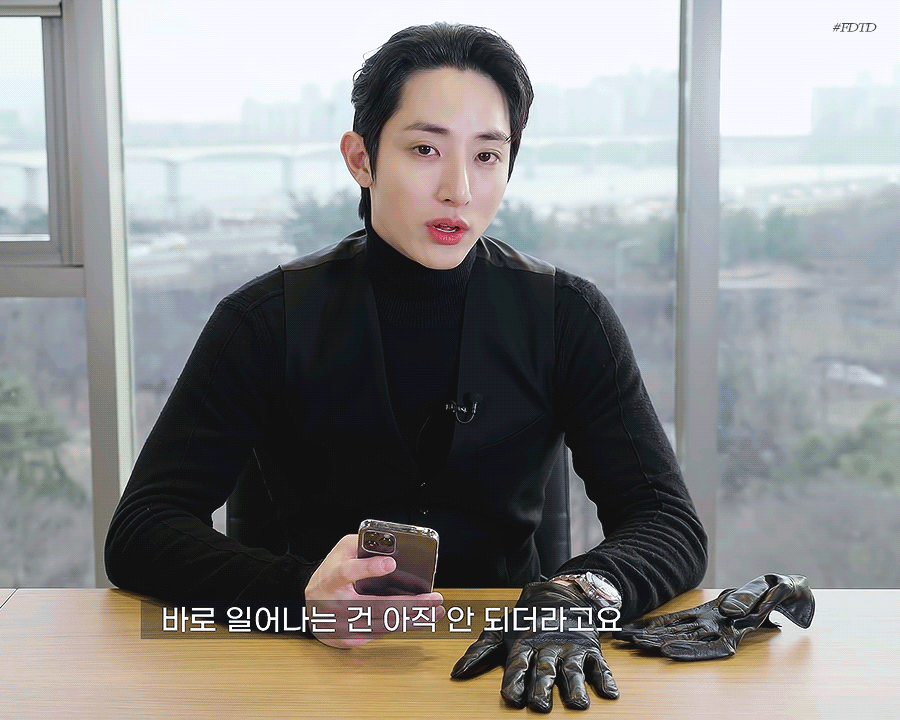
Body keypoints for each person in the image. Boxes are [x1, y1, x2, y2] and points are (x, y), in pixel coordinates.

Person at [106, 22, 707, 711]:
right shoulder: (265, 319)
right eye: (425, 149)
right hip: (307, 674)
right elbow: (143, 529)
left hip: (511, 678)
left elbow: (668, 521)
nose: (459, 189)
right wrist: (298, 595)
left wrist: (576, 595)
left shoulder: (567, 315)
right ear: (361, 159)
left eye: (488, 155)